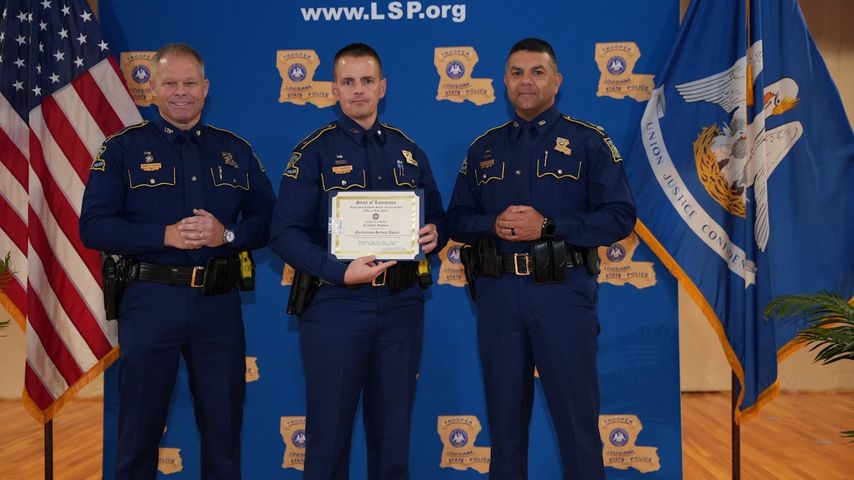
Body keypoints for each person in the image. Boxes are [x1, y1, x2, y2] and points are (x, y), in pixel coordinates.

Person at [79, 43, 275, 479]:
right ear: (153, 90)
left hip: (219, 306)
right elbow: (92, 227)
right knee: (139, 434)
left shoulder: (235, 150)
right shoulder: (122, 150)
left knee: (224, 434)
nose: (181, 92)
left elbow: (270, 221)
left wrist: (226, 234)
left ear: (205, 89)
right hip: (150, 302)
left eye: (190, 83)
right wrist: (161, 236)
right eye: (170, 83)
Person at [446, 38, 636, 480]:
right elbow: (456, 219)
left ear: (557, 80)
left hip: (563, 295)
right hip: (498, 298)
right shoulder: (483, 148)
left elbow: (620, 217)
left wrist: (549, 226)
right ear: (504, 81)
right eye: (516, 72)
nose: (525, 81)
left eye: (536, 71)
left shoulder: (588, 141)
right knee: (505, 428)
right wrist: (491, 224)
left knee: (576, 424)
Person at [269, 43, 447, 480]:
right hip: (336, 307)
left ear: (382, 87)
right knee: (328, 439)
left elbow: (438, 216)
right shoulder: (312, 152)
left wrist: (435, 235)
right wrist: (338, 271)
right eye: (348, 82)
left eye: (367, 81)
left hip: (402, 305)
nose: (358, 91)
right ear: (334, 90)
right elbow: (282, 233)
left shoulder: (409, 150)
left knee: (392, 441)